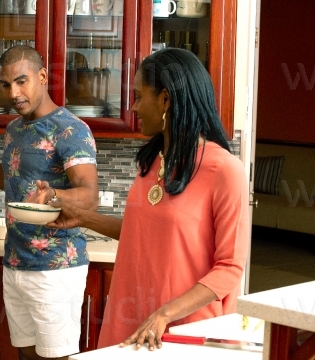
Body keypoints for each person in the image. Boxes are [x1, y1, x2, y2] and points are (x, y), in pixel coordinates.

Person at [41, 48, 250, 351]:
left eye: (139, 96)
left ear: (166, 99)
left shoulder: (224, 170)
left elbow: (229, 268)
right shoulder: (151, 161)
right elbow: (144, 234)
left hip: (188, 330)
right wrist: (82, 218)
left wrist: (164, 314)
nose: (134, 107)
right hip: (133, 319)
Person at [0, 45, 99, 360]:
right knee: (26, 356)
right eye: (6, 84)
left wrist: (53, 195)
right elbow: (13, 182)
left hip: (55, 267)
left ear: (42, 76)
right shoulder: (15, 128)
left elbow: (89, 195)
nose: (13, 92)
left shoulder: (71, 130)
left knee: (55, 356)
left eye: (21, 81)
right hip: (16, 261)